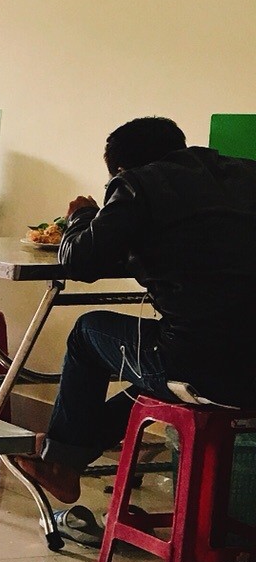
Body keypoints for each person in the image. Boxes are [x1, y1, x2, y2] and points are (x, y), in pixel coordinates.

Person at [24, 116, 256, 506]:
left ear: (120, 168)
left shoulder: (137, 183)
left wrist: (82, 217)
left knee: (88, 332)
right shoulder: (245, 174)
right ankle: (67, 455)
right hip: (245, 369)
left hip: (202, 365)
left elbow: (80, 261)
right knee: (155, 380)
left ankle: (62, 464)